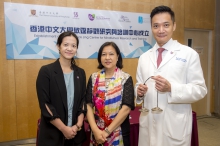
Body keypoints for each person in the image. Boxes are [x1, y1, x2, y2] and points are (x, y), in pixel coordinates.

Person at [135, 5, 207, 146]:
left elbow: (200, 89)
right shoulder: (144, 57)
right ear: (151, 28)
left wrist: (171, 88)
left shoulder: (188, 54)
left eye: (166, 25)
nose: (161, 30)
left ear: (174, 26)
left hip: (174, 127)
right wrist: (139, 93)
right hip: (149, 126)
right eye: (156, 26)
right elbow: (139, 85)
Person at [36, 31, 86, 146]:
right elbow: (45, 105)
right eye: (65, 45)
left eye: (73, 46)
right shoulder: (46, 71)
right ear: (58, 46)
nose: (69, 49)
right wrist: (64, 129)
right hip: (53, 136)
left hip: (75, 134)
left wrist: (77, 125)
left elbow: (83, 101)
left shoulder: (80, 73)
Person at [86, 42, 135, 146]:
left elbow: (126, 109)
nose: (107, 57)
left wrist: (106, 132)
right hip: (97, 133)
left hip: (118, 133)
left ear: (117, 57)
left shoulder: (125, 78)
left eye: (111, 54)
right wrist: (95, 130)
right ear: (100, 58)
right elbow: (88, 105)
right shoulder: (94, 77)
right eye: (104, 54)